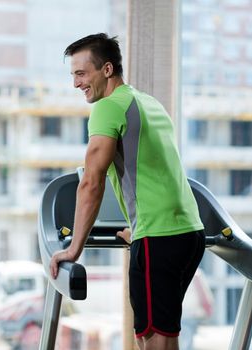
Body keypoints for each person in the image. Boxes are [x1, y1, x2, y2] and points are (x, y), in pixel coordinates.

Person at [49, 33, 205, 350]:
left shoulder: (108, 108)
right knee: (158, 334)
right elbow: (156, 171)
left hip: (159, 238)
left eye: (81, 73)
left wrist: (73, 249)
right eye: (73, 75)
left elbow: (92, 183)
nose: (76, 83)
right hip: (189, 233)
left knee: (155, 340)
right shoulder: (148, 102)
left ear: (107, 69)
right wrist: (139, 228)